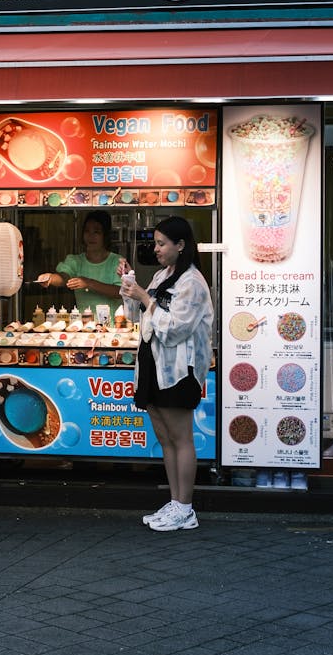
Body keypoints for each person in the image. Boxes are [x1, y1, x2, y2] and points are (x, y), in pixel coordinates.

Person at [119, 216, 214, 532]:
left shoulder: (193, 283)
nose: (156, 249)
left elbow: (175, 329)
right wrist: (129, 289)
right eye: (156, 243)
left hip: (179, 369)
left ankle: (186, 508)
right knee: (165, 437)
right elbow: (140, 316)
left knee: (180, 437)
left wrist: (144, 297)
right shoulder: (162, 275)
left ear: (180, 245)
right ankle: (176, 504)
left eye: (162, 243)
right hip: (153, 362)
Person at [38, 210, 124, 313]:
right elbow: (64, 278)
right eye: (87, 231)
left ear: (105, 235)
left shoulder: (116, 261)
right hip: (84, 326)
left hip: (113, 327)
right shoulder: (75, 261)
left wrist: (89, 283)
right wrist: (50, 278)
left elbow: (121, 292)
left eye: (96, 232)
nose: (90, 236)